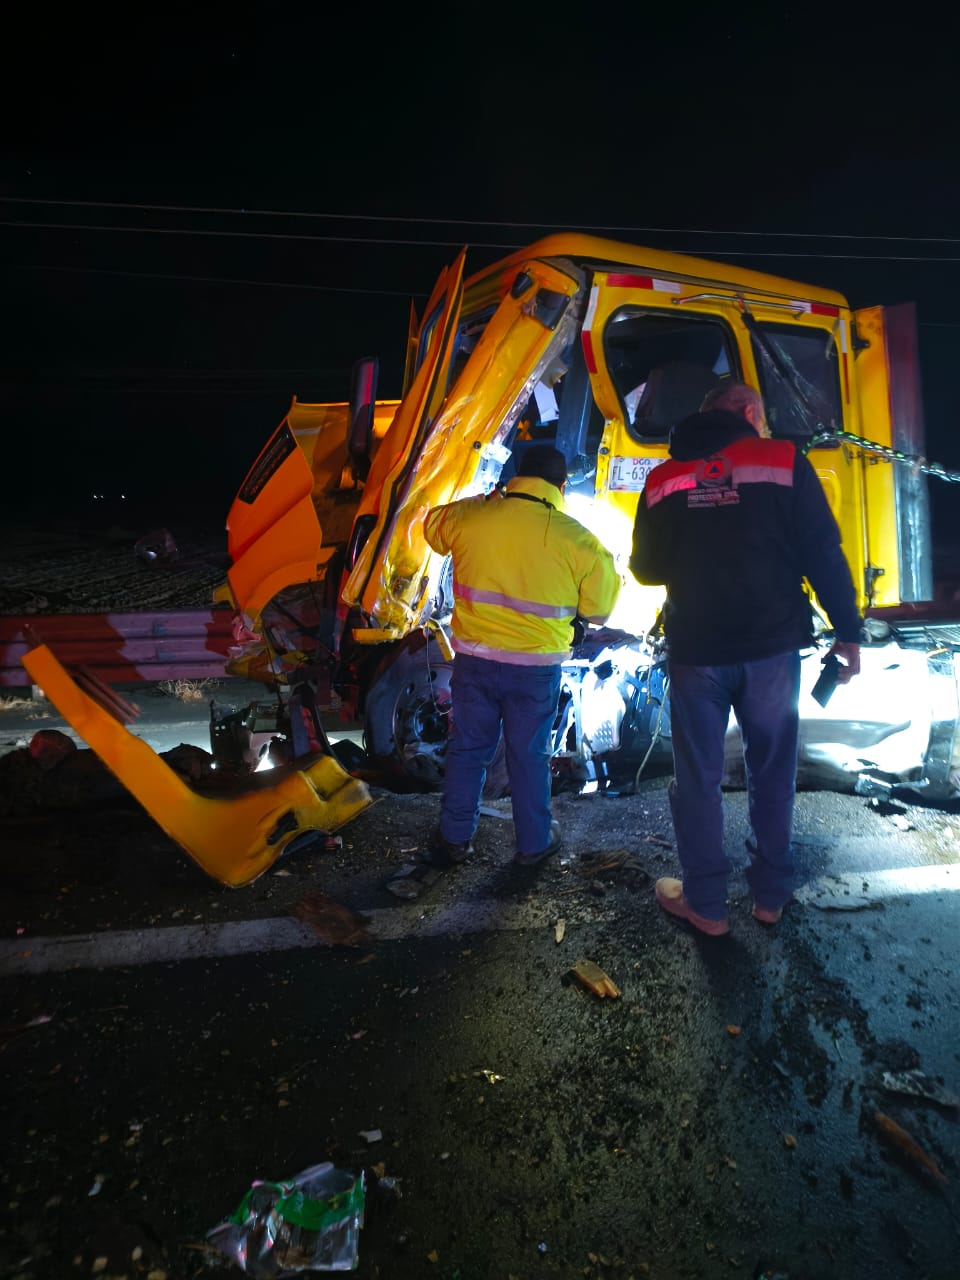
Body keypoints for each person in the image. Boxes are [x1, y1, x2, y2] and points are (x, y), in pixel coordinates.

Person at [629, 382, 861, 935]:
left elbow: (645, 569)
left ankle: (707, 906)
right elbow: (822, 552)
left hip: (697, 650)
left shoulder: (662, 478)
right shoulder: (783, 460)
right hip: (771, 649)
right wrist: (848, 633)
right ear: (751, 412)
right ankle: (769, 897)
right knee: (772, 772)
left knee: (698, 779)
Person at [423, 445, 620, 867]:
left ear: (514, 478)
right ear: (561, 487)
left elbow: (431, 526)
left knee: (469, 749)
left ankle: (454, 838)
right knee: (529, 756)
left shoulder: (473, 518)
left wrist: (485, 499)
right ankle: (533, 844)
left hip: (474, 663)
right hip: (534, 671)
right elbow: (601, 610)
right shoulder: (577, 539)